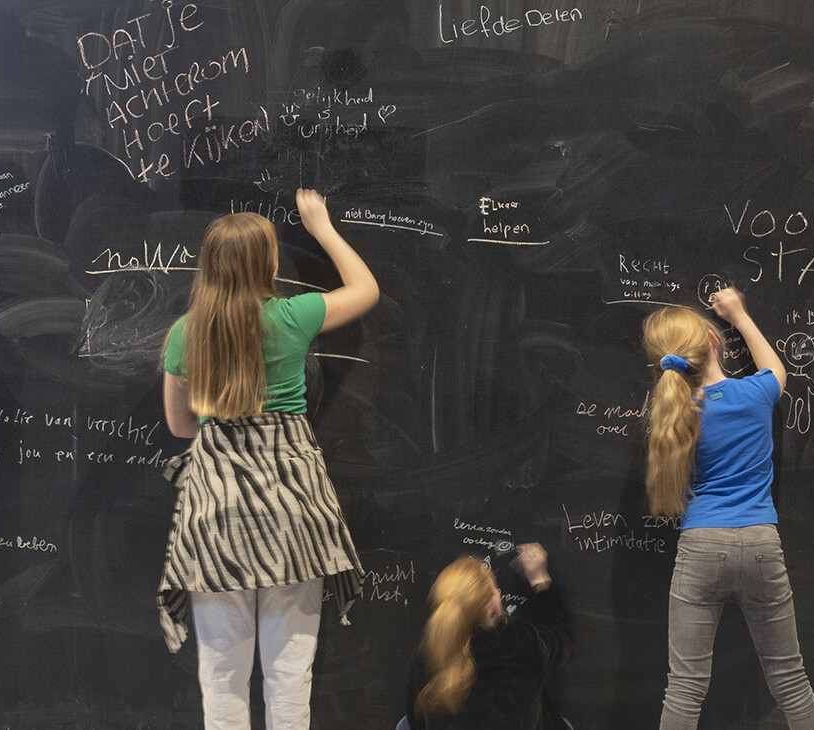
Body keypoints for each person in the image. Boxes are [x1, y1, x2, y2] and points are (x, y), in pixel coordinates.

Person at [158, 189, 379, 730]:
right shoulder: (291, 316)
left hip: (217, 517)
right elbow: (366, 289)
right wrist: (322, 227)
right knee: (289, 677)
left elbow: (180, 426)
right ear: (270, 262)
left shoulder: (185, 334)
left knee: (222, 680)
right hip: (293, 514)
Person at [642, 288, 814, 730]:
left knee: (685, 689)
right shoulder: (755, 394)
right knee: (790, 681)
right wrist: (740, 315)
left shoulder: (675, 412)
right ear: (712, 338)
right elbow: (776, 368)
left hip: (701, 546)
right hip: (763, 543)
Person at [406, 543, 574, 730]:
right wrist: (540, 579)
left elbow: (416, 719)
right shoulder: (522, 641)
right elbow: (562, 638)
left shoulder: (429, 653)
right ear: (493, 604)